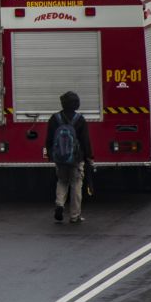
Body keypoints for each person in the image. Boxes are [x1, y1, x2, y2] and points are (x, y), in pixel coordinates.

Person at [43, 91, 94, 224]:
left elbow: (49, 139)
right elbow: (85, 140)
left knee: (62, 181)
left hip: (60, 158)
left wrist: (50, 153)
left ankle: (59, 204)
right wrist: (89, 156)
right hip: (76, 158)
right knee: (76, 184)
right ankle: (75, 215)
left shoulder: (55, 118)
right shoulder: (80, 119)